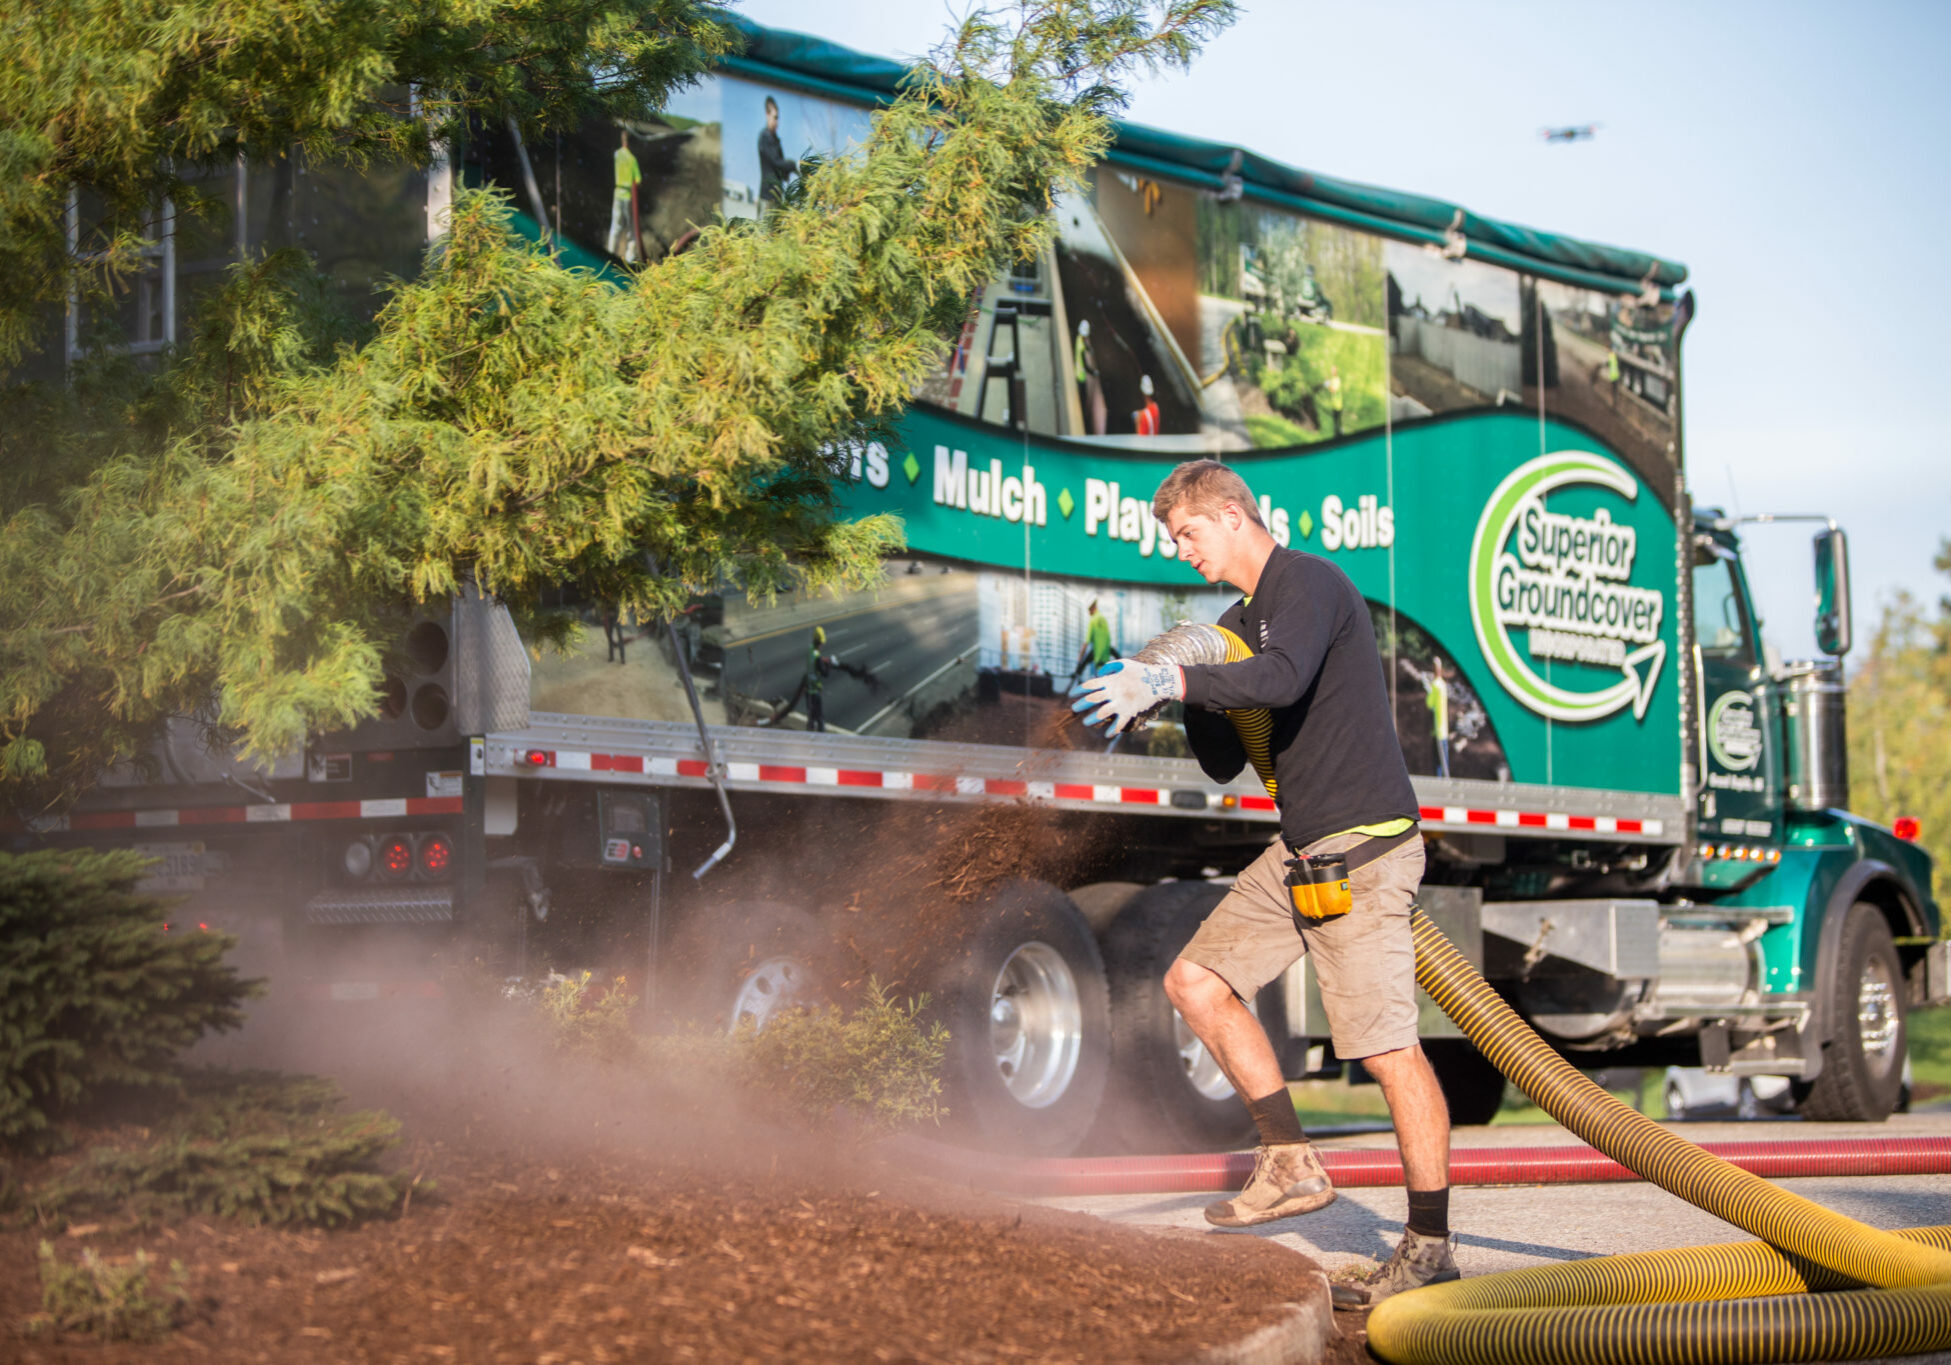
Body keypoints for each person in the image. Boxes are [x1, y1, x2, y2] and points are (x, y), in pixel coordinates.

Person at [1072, 459, 1459, 1309]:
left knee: (1386, 1048)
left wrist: (1179, 676)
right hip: (1300, 849)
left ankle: (1429, 1244)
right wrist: (1174, 693)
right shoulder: (1232, 622)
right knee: (1194, 981)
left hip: (1361, 848)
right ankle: (1288, 1160)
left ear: (1230, 515)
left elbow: (1281, 678)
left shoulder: (1309, 584)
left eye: (1186, 534)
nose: (1180, 551)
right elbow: (1221, 764)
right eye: (1173, 540)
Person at [757, 95, 798, 211]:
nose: (777, 122)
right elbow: (776, 162)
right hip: (767, 197)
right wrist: (793, 165)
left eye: (778, 118)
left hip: (777, 197)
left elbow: (779, 165)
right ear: (767, 114)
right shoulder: (765, 137)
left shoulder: (775, 140)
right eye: (775, 118)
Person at [607, 128, 641, 262]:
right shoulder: (632, 159)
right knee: (631, 231)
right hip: (627, 197)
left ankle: (609, 254)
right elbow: (637, 180)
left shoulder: (617, 154)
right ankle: (629, 260)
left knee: (615, 227)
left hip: (617, 194)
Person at [1069, 600, 1117, 685]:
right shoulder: (1103, 618)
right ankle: (1078, 673)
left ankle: (1077, 674)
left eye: (1089, 610)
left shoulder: (1093, 620)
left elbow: (1086, 642)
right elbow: (1106, 637)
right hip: (1106, 653)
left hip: (1097, 654)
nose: (1088, 613)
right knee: (1105, 676)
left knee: (1084, 664)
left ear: (1093, 608)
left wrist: (1080, 657)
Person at [1072, 319, 1103, 435]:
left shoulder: (1078, 339)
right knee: (1083, 398)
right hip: (1081, 376)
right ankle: (1083, 419)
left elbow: (1084, 344)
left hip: (1078, 372)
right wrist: (1094, 372)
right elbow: (1085, 365)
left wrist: (1089, 349)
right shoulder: (1081, 348)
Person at [805, 626, 833, 733]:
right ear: (820, 642)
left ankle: (809, 735)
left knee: (811, 716)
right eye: (822, 642)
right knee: (820, 718)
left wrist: (822, 660)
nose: (822, 644)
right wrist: (830, 665)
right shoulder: (816, 657)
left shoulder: (811, 649)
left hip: (808, 690)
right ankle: (821, 738)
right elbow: (825, 673)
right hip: (814, 692)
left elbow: (815, 660)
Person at [1426, 661, 1451, 778]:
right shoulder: (1443, 684)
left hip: (1438, 729)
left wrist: (1429, 689)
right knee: (1444, 761)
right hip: (1444, 730)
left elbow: (1429, 703)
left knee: (1438, 763)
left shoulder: (1435, 685)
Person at [1319, 362, 1344, 438]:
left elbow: (1333, 390)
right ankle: (1337, 436)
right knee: (1335, 422)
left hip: (1338, 405)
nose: (1332, 372)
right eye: (1331, 370)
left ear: (1336, 371)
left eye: (1333, 370)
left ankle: (1340, 435)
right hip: (1334, 404)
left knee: (1338, 423)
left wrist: (1328, 384)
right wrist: (1327, 383)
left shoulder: (1337, 380)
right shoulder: (1333, 379)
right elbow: (1330, 387)